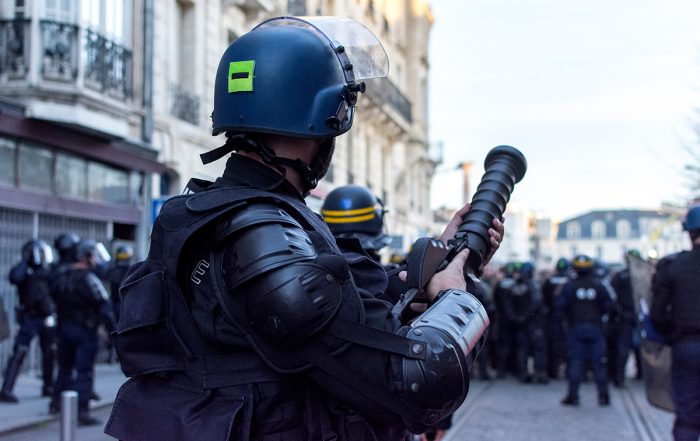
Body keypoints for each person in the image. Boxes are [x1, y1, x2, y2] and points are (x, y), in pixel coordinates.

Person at [105, 16, 504, 441]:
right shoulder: (261, 234)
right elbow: (423, 382)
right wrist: (454, 295)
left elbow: (338, 310)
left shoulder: (208, 215)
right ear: (324, 120)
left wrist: (443, 256)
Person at [49, 240, 115, 426]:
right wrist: (113, 332)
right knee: (84, 371)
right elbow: (104, 306)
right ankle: (82, 412)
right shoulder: (89, 279)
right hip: (85, 331)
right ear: (85, 257)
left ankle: (56, 403)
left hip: (63, 330)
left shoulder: (60, 276)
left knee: (64, 368)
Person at [650, 205, 700, 441]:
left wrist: (671, 334)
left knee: (687, 416)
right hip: (685, 342)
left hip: (686, 346)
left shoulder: (673, 267)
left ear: (688, 232)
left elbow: (657, 314)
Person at [0, 240, 56, 402]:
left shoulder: (48, 271)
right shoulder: (24, 270)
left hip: (46, 317)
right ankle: (7, 389)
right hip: (29, 317)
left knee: (50, 352)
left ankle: (48, 386)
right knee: (19, 351)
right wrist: (25, 262)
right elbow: (14, 277)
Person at [556, 254, 615, 406]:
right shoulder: (599, 286)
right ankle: (603, 396)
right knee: (599, 363)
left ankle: (573, 396)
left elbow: (559, 307)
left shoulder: (569, 286)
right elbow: (609, 307)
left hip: (576, 328)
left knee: (575, 363)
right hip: (595, 328)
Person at [505, 261, 547, 383]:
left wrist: (516, 317)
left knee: (522, 349)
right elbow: (537, 303)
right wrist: (526, 316)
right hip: (533, 322)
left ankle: (523, 374)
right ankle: (539, 374)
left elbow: (508, 305)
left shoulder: (513, 286)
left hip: (520, 323)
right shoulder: (533, 285)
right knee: (537, 349)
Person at [609, 249, 642, 387]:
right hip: (635, 316)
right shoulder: (643, 275)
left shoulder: (620, 276)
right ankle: (639, 374)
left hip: (626, 316)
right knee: (639, 347)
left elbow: (612, 297)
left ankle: (620, 377)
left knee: (624, 348)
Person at [542, 257, 570, 379]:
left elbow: (544, 300)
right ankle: (568, 371)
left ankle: (552, 371)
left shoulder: (550, 281)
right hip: (567, 318)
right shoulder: (570, 280)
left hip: (552, 318)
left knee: (552, 345)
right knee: (568, 345)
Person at [105, 245, 135, 322]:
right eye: (121, 256)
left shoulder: (134, 269)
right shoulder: (113, 269)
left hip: (129, 304)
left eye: (124, 256)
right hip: (116, 303)